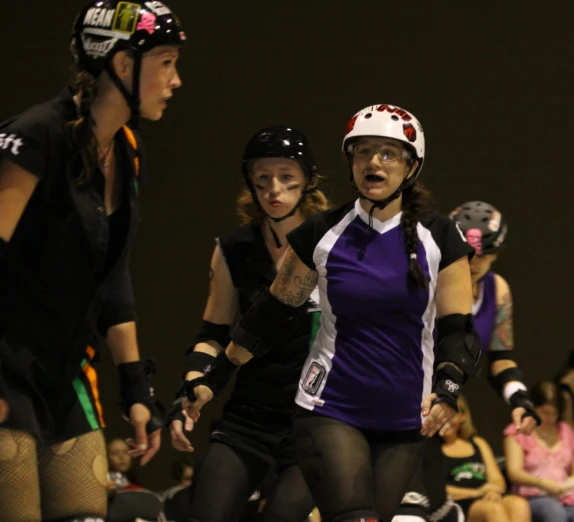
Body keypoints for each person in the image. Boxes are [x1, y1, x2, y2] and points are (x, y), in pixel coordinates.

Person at [183, 103, 478, 522]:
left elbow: (457, 328)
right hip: (330, 406)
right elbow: (270, 314)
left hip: (403, 414)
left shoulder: (441, 237)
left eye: (388, 153)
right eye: (362, 152)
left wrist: (448, 388)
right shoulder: (322, 233)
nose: (373, 162)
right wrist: (216, 375)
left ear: (412, 167)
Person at [0, 2, 185, 520]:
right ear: (124, 65)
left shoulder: (127, 149)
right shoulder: (36, 135)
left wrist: (136, 391)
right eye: (166, 62)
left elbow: (113, 275)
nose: (176, 80)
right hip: (6, 366)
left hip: (69, 373)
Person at [166, 126, 327, 522]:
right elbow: (212, 334)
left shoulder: (334, 244)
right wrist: (191, 384)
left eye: (287, 178)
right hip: (249, 417)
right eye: (263, 179)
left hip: (317, 419)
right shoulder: (233, 249)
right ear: (250, 185)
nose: (275, 189)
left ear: (307, 180)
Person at [395, 201, 540, 522]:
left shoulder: (497, 290)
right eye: (468, 252)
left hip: (439, 407)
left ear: (497, 253)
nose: (474, 262)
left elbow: (501, 358)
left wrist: (519, 399)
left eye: (484, 254)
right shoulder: (427, 279)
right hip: (403, 401)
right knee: (411, 511)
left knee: (439, 511)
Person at [504, 381, 574, 522]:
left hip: (564, 493)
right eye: (545, 413)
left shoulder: (565, 430)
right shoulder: (518, 431)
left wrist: (573, 479)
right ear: (533, 407)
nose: (551, 418)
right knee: (554, 512)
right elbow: (514, 472)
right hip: (533, 494)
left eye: (555, 413)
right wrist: (543, 483)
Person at [442, 395, 531, 522]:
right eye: (442, 415)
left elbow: (497, 479)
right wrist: (477, 492)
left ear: (463, 416)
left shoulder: (478, 443)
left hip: (486, 498)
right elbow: (436, 490)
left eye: (451, 415)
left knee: (518, 504)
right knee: (493, 510)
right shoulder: (432, 448)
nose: (446, 421)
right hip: (456, 504)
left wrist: (493, 491)